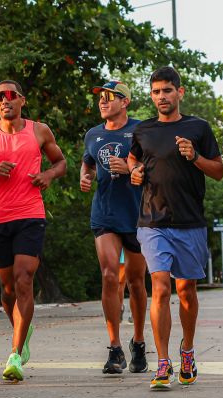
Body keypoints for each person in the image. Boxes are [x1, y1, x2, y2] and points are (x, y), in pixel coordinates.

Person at [128, 66, 223, 390]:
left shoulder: (199, 127)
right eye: (156, 92)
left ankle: (187, 350)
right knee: (161, 286)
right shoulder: (143, 130)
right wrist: (135, 172)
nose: (161, 97)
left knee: (186, 291)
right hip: (152, 221)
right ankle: (162, 363)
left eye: (167, 90)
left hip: (189, 222)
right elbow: (132, 160)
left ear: (179, 93)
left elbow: (219, 171)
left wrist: (195, 156)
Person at [0, 80, 66, 381]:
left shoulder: (39, 131)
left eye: (11, 95)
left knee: (24, 280)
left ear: (22, 100)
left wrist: (48, 174)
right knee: (8, 290)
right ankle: (22, 329)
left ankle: (15, 354)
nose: (5, 100)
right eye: (0, 96)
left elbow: (60, 162)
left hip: (30, 215)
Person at [80, 80, 148, 374]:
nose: (103, 101)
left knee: (135, 281)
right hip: (105, 213)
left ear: (125, 102)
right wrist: (84, 177)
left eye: (110, 97)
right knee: (110, 275)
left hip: (137, 215)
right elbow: (89, 164)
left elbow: (155, 167)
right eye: (100, 97)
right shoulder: (93, 134)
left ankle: (139, 341)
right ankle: (115, 347)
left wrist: (131, 168)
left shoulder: (141, 130)